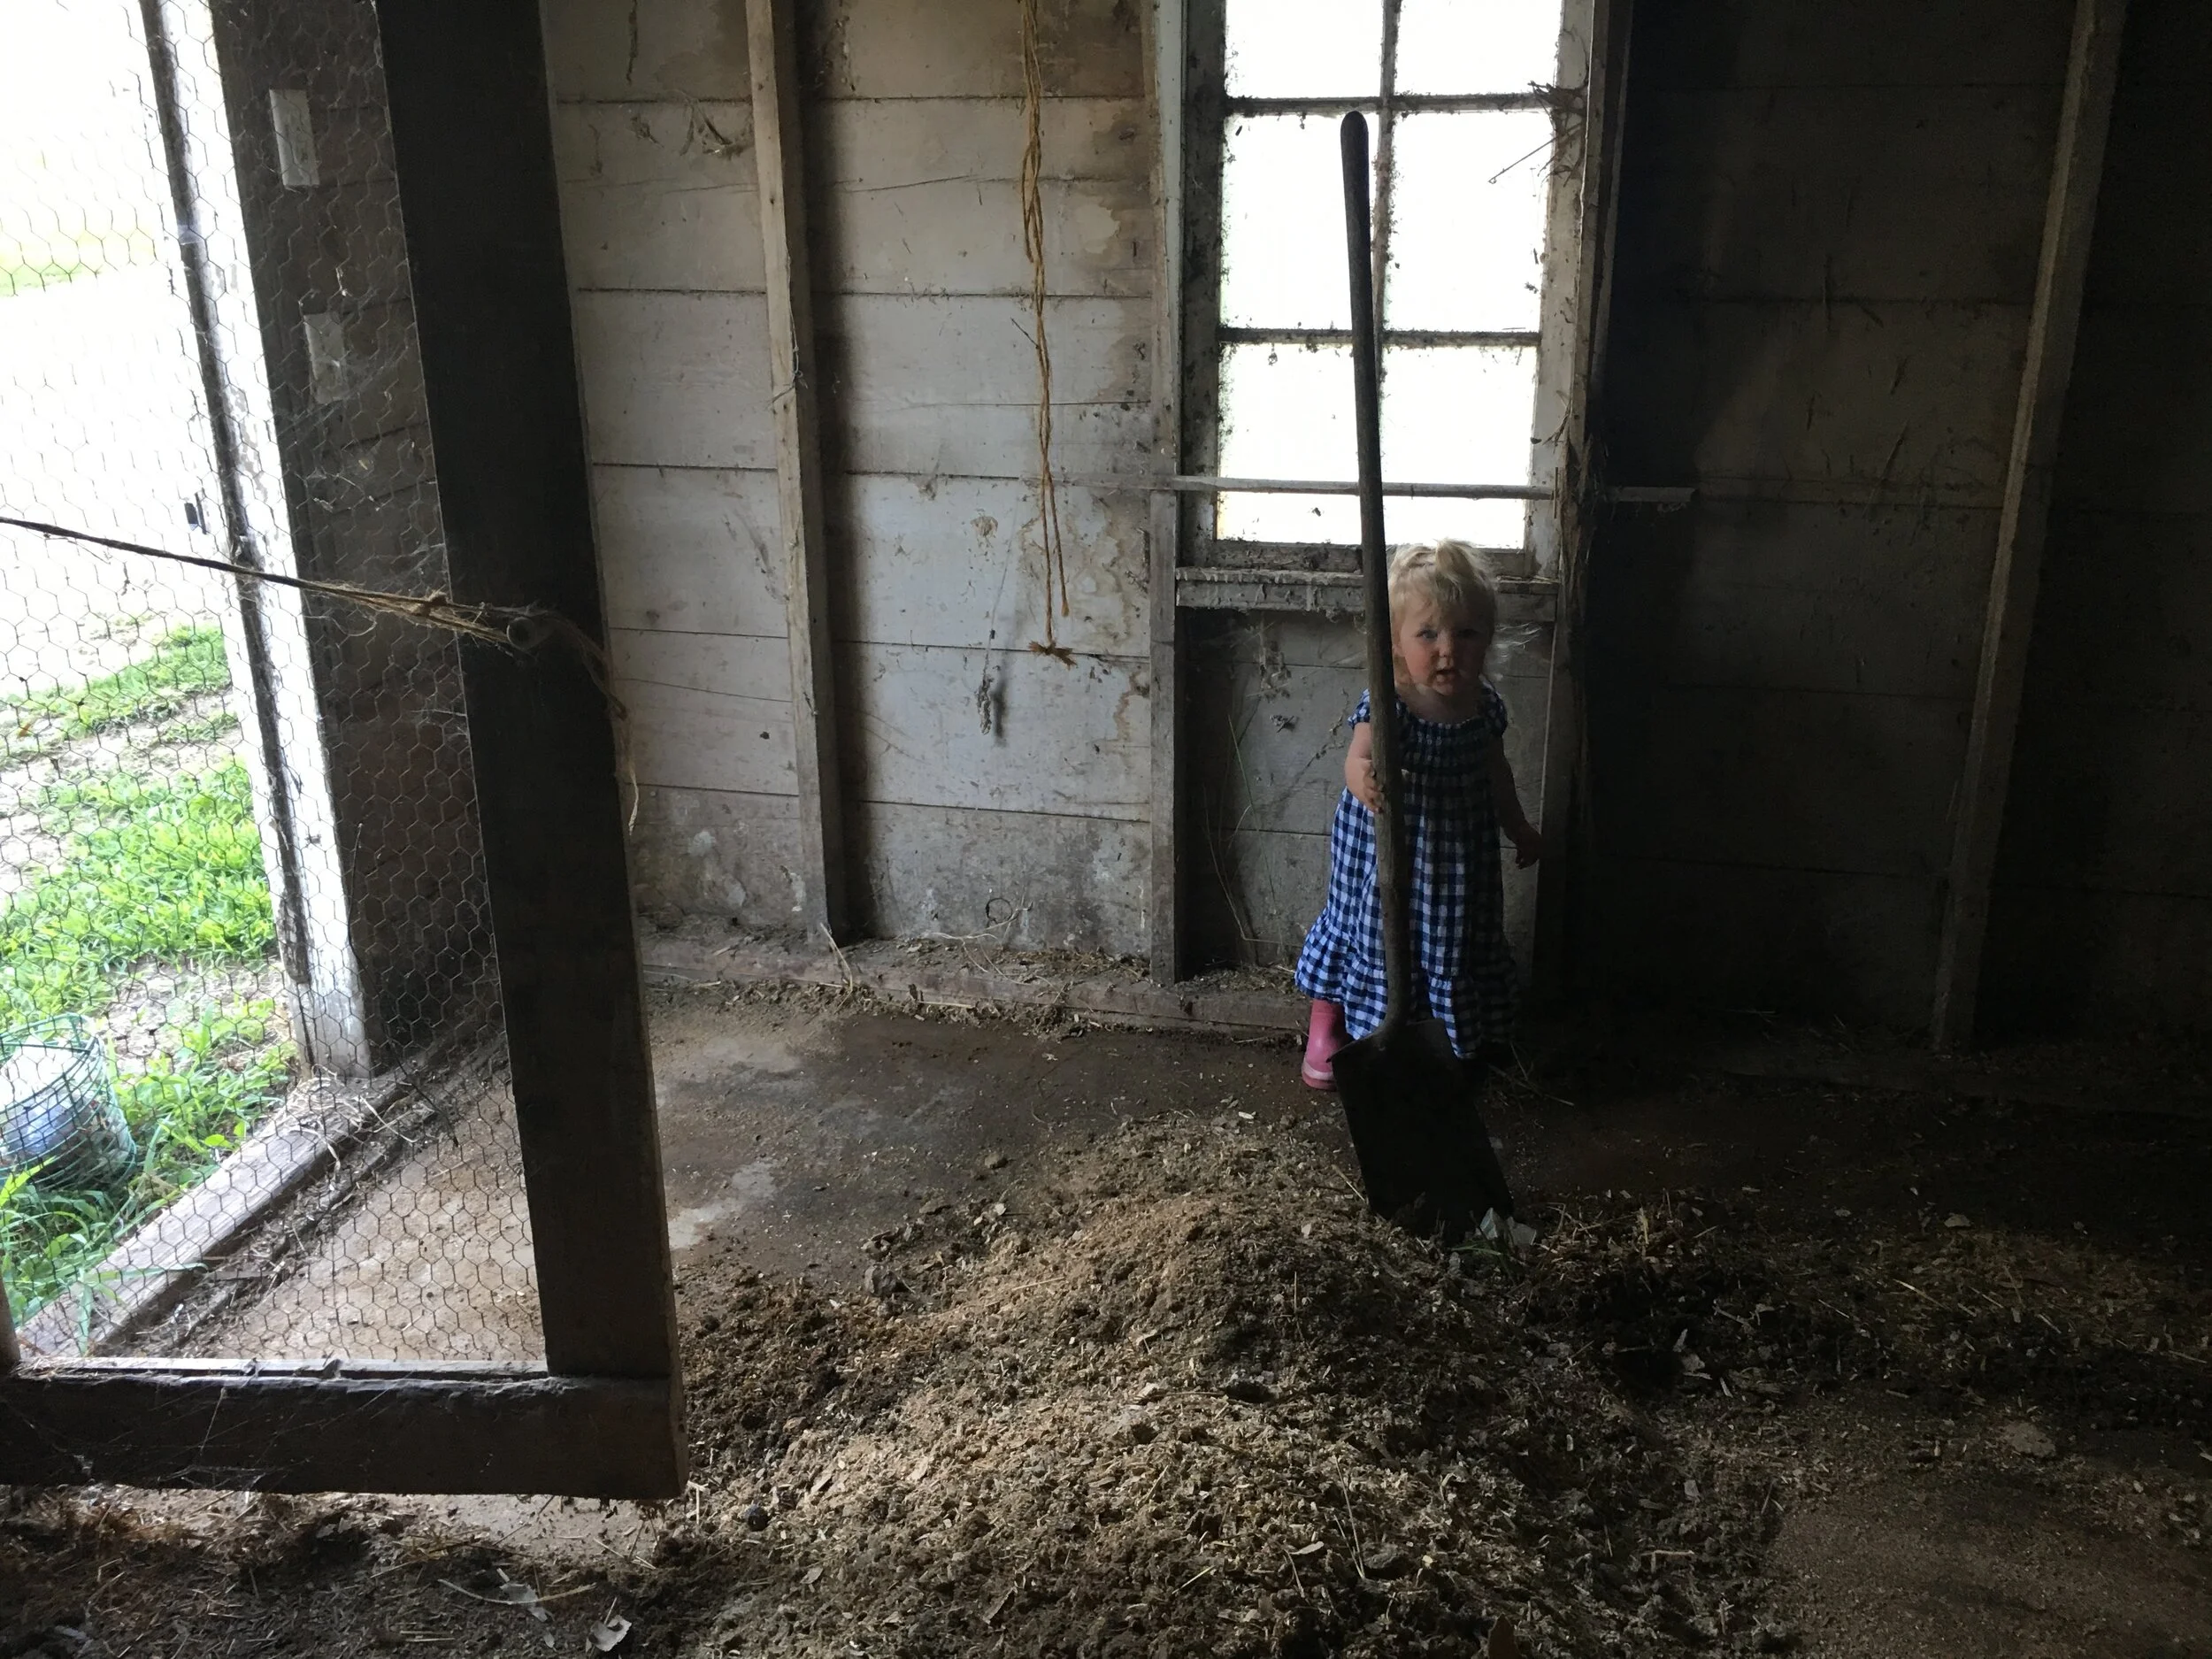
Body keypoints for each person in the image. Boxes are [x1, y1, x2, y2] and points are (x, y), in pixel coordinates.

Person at [1293, 539, 1543, 1089]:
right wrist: (1366, 781)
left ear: (1488, 639)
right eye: (1428, 634)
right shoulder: (1390, 703)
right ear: (1395, 644)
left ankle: (1446, 1036)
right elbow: (1355, 760)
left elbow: (1497, 773)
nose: (1448, 649)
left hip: (1458, 855)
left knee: (1450, 937)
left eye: (1466, 633)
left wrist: (1519, 827)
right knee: (1368, 929)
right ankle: (1328, 1024)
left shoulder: (1484, 705)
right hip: (1388, 844)